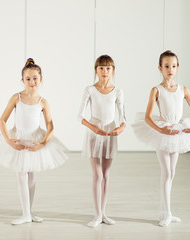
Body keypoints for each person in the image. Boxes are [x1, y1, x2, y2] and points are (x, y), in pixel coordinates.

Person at [0, 58, 68, 225]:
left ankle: (28, 212)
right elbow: (2, 121)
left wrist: (43, 143)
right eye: (28, 79)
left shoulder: (43, 102)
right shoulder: (16, 98)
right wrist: (9, 141)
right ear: (22, 80)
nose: (32, 82)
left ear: (41, 79)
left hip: (35, 140)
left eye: (35, 78)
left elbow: (50, 126)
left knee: (32, 176)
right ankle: (25, 214)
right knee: (22, 174)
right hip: (19, 139)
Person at [132, 50, 190, 227]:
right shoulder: (156, 90)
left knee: (172, 173)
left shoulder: (183, 89)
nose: (171, 69)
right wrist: (161, 131)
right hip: (163, 132)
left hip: (177, 132)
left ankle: (166, 211)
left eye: (174, 66)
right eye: (167, 66)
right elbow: (147, 117)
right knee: (167, 172)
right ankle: (167, 213)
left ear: (178, 68)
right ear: (160, 68)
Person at [78, 55, 126, 228]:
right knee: (97, 174)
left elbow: (123, 119)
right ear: (96, 70)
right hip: (94, 134)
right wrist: (93, 128)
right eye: (101, 68)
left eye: (108, 68)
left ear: (113, 71)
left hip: (109, 134)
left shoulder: (118, 91)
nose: (105, 71)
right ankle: (97, 214)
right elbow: (80, 116)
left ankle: (104, 213)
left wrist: (119, 129)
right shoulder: (89, 90)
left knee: (106, 175)